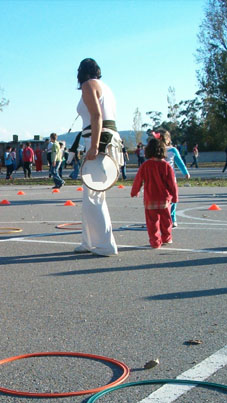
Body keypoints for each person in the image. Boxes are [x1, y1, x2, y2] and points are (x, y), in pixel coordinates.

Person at [74, 57, 119, 256]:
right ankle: (89, 241)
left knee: (94, 195)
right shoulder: (105, 87)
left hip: (98, 141)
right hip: (107, 139)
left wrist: (94, 147)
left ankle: (105, 245)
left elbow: (97, 116)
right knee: (91, 195)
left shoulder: (88, 85)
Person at [130, 137, 179, 249]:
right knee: (166, 220)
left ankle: (155, 241)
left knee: (152, 222)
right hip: (164, 199)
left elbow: (138, 180)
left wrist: (134, 191)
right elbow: (172, 183)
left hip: (150, 198)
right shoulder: (166, 166)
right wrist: (175, 197)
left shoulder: (145, 165)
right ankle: (167, 237)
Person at [154, 129, 189, 227]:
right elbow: (180, 162)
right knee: (168, 199)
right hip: (163, 179)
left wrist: (185, 172)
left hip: (167, 178)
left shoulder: (171, 150)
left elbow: (179, 162)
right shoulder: (157, 150)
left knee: (170, 198)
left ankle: (170, 218)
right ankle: (168, 218)